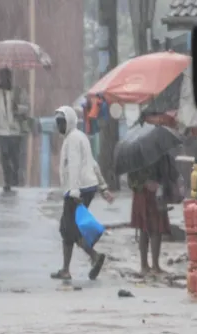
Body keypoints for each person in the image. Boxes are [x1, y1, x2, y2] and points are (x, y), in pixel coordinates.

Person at [51, 106, 114, 281]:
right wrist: (103, 187)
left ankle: (94, 256)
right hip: (86, 187)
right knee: (68, 227)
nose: (59, 126)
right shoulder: (80, 137)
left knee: (68, 228)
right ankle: (65, 269)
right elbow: (93, 163)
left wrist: (74, 191)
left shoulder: (72, 140)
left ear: (69, 122)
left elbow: (74, 166)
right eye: (58, 123)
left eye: (62, 122)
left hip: (78, 189)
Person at [129, 154, 180, 275]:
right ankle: (154, 266)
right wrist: (148, 183)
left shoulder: (136, 152)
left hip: (145, 192)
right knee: (155, 229)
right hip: (150, 194)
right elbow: (170, 173)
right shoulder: (160, 151)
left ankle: (145, 265)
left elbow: (131, 178)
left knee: (145, 228)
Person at [0, 68, 29, 192]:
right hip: (2, 130)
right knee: (4, 156)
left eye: (7, 77)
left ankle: (15, 176)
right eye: (2, 77)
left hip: (16, 130)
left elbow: (26, 106)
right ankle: (7, 180)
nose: (5, 80)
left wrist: (19, 109)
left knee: (15, 156)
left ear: (10, 78)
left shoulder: (19, 91)